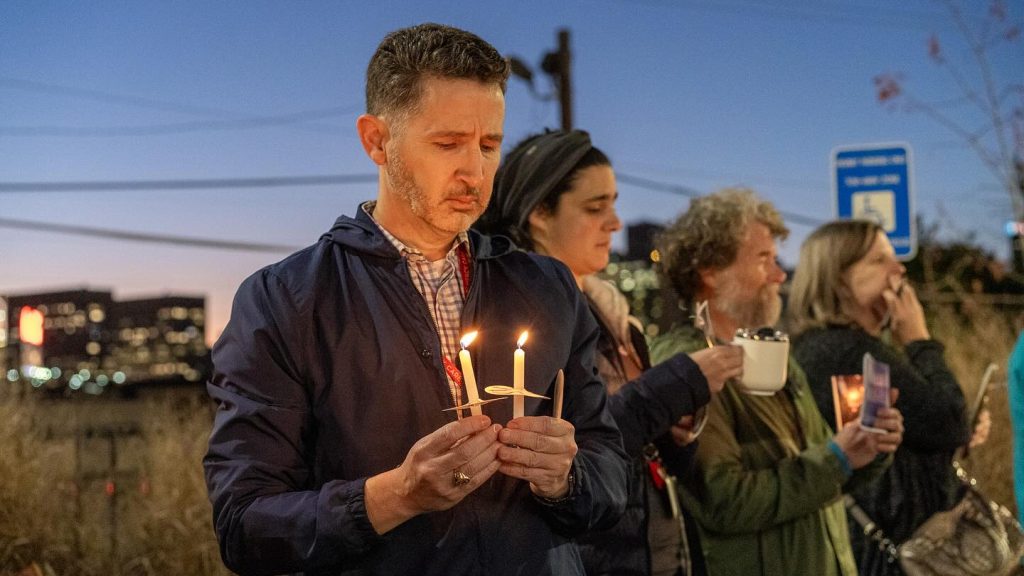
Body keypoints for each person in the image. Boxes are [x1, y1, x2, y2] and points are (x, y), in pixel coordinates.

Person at [202, 24, 629, 576]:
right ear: (377, 141)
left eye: (489, 145)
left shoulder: (546, 286)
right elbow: (244, 526)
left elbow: (612, 476)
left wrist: (565, 480)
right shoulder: (287, 301)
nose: (474, 171)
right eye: (447, 143)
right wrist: (397, 495)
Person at [476, 129, 743, 576]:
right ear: (540, 212)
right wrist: (677, 383)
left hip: (655, 551)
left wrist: (679, 428)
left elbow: (642, 451)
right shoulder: (521, 324)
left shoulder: (616, 318)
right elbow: (568, 443)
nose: (615, 223)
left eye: (615, 205)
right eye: (596, 208)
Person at [648, 188, 904, 576]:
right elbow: (722, 500)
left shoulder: (773, 354)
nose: (779, 273)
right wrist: (835, 459)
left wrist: (868, 447)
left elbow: (823, 479)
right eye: (763, 259)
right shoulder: (686, 366)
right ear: (710, 271)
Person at [787, 219, 984, 575]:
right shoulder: (847, 351)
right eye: (879, 261)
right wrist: (919, 339)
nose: (898, 269)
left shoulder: (826, 347)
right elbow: (947, 422)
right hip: (887, 550)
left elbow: (922, 430)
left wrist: (963, 431)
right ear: (838, 278)